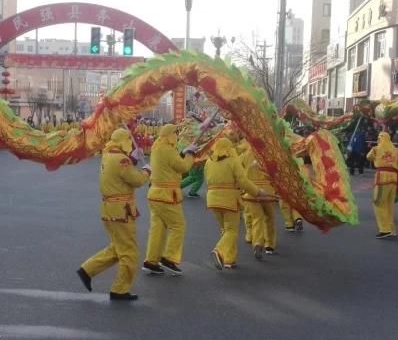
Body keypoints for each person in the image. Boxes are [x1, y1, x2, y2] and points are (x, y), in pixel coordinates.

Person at [77, 129, 151, 300]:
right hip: (121, 210)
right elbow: (137, 180)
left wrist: (132, 158)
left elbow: (119, 173)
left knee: (118, 247)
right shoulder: (122, 159)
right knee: (129, 252)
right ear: (123, 141)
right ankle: (120, 289)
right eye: (128, 140)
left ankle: (87, 270)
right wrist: (147, 171)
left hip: (109, 209)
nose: (130, 142)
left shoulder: (108, 155)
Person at [206, 137, 268, 270]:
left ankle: (229, 259)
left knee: (225, 230)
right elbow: (243, 181)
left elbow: (208, 179)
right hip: (229, 200)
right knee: (231, 230)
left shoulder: (209, 162)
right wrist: (258, 192)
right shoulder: (233, 161)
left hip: (212, 199)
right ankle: (219, 251)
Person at [142, 124, 195, 275]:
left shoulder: (157, 147)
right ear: (170, 134)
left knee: (157, 229)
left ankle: (151, 261)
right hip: (166, 194)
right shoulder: (168, 149)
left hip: (155, 193)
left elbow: (171, 162)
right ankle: (169, 258)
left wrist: (183, 152)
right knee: (178, 225)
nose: (176, 135)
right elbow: (183, 167)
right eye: (175, 133)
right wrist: (190, 154)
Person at [365, 132, 398, 239]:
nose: (377, 140)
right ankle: (391, 230)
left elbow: (368, 157)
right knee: (389, 205)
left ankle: (384, 229)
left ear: (380, 139)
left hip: (382, 178)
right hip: (394, 179)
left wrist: (376, 156)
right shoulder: (396, 150)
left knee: (379, 203)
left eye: (378, 138)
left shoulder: (376, 149)